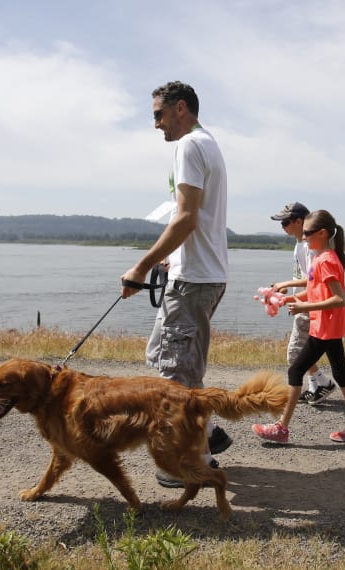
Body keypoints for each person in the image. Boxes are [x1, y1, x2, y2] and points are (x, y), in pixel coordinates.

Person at [121, 81, 232, 487]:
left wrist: (140, 266)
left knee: (177, 372)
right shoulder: (208, 143)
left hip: (194, 280)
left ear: (180, 108)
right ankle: (207, 433)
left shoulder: (188, 146)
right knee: (165, 355)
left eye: (158, 114)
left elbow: (185, 217)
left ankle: (195, 462)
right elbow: (194, 221)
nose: (156, 124)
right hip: (200, 273)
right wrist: (172, 257)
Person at [252, 209, 345, 444]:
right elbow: (314, 289)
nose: (304, 237)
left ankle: (281, 429)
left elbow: (338, 299)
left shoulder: (326, 260)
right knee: (341, 375)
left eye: (308, 233)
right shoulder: (320, 257)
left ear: (322, 233)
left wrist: (304, 308)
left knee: (295, 370)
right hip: (327, 327)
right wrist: (291, 298)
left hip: (325, 328)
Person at [268, 201, 336, 405]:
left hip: (309, 304)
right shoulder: (301, 244)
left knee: (295, 354)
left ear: (300, 221)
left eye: (286, 222)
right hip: (303, 301)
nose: (283, 227)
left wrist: (288, 286)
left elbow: (314, 280)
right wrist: (289, 293)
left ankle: (322, 383)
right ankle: (316, 387)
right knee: (305, 351)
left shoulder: (309, 246)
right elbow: (306, 277)